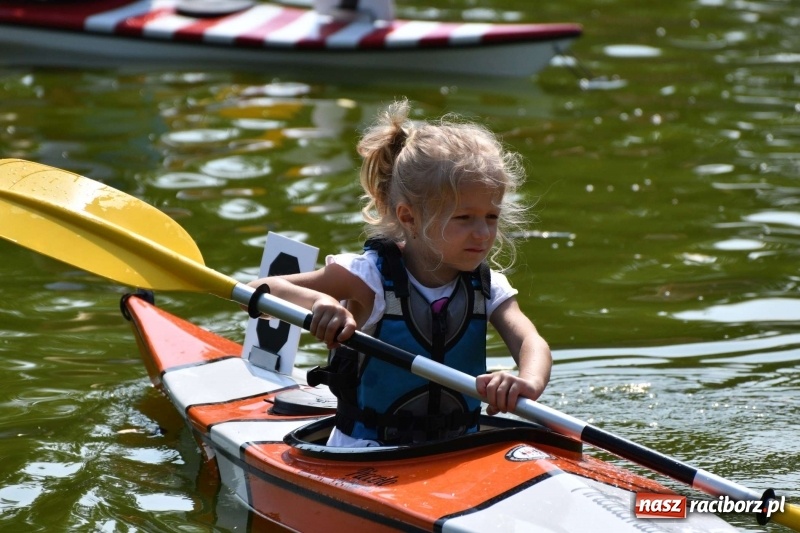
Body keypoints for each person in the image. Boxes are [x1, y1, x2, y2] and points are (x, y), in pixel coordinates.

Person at [249, 99, 551, 447]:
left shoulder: (488, 287)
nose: (482, 233)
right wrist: (319, 302)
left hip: (457, 447)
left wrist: (527, 380)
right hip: (368, 451)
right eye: (464, 218)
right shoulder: (369, 277)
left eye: (491, 217)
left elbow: (531, 341)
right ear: (409, 217)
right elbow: (260, 289)